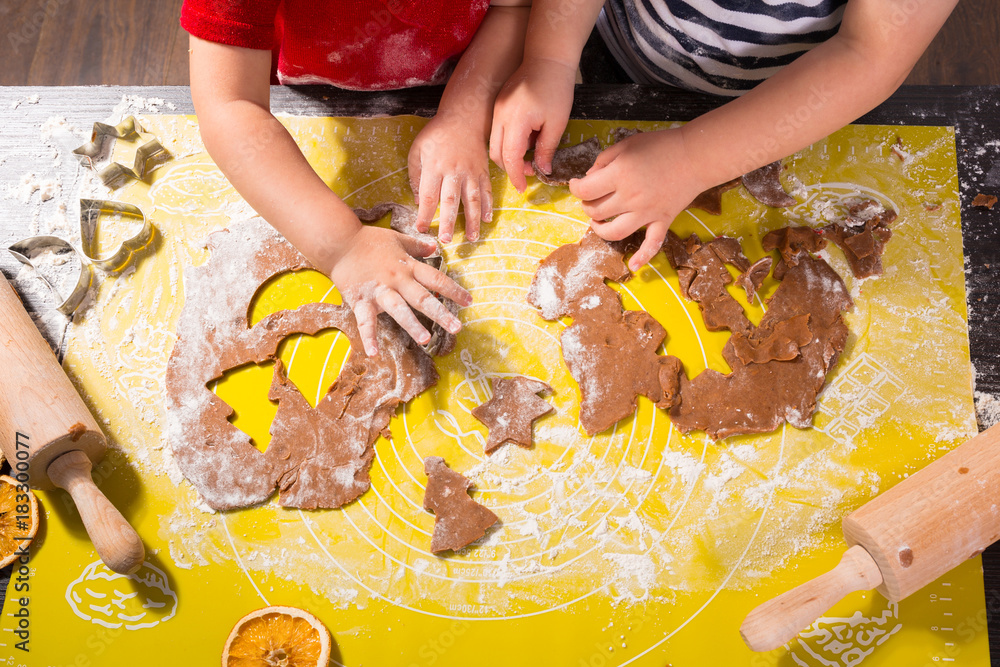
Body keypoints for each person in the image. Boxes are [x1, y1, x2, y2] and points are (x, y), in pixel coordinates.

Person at [490, 0, 958, 272]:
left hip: (787, 106)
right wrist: (550, 58)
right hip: (621, 53)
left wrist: (693, 159)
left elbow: (871, 53)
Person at [182, 0, 530, 356]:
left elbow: (513, 10)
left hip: (461, 78)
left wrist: (462, 114)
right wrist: (343, 246)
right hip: (305, 93)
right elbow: (229, 105)